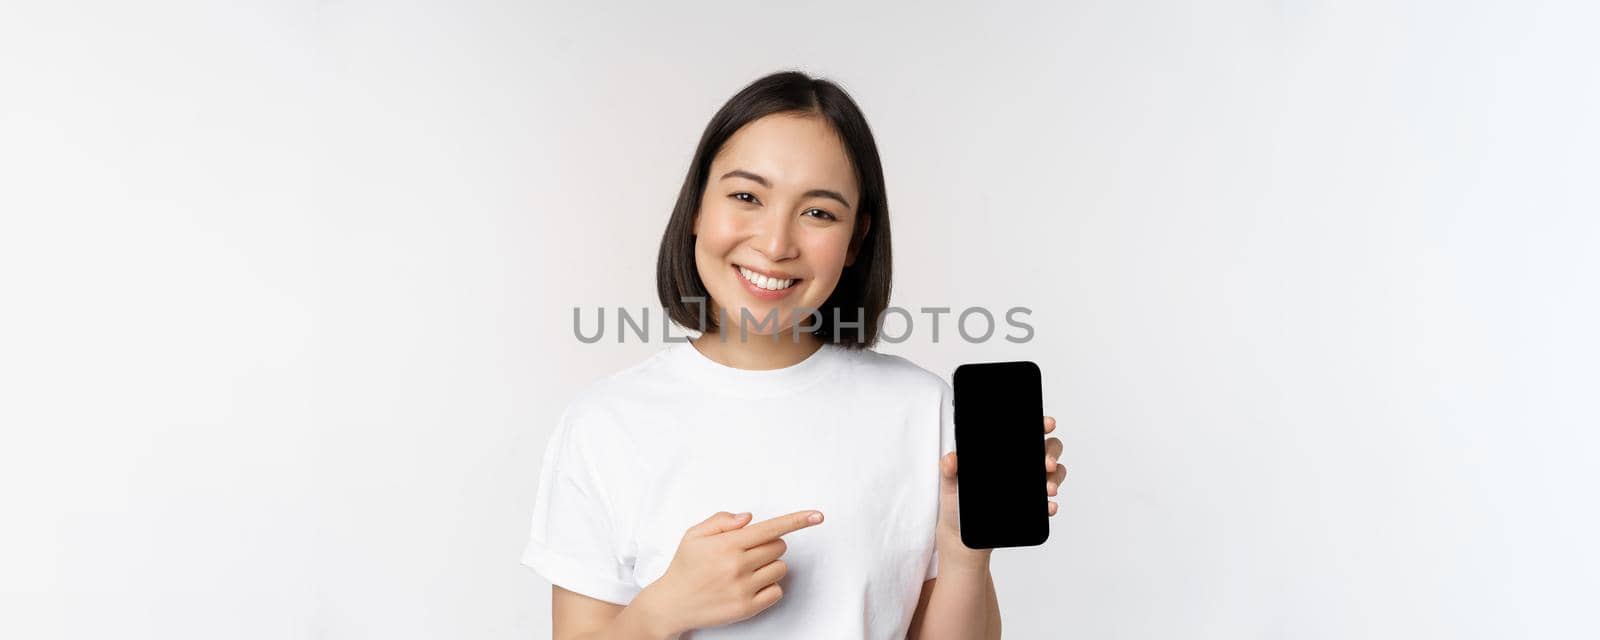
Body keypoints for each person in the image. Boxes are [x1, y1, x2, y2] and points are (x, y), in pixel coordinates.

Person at [521, 70, 1066, 639]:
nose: (777, 244)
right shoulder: (606, 421)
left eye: (819, 213)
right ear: (696, 211)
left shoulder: (922, 410)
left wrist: (962, 550)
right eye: (746, 196)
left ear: (856, 240)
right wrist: (665, 609)